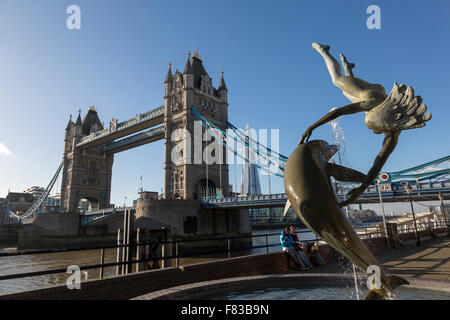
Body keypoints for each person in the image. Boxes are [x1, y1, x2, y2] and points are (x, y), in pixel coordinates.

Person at [300, 42, 431, 206]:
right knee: (337, 80)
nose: (372, 131)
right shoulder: (371, 100)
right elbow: (338, 112)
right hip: (373, 93)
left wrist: (359, 191)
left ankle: (348, 68)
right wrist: (311, 127)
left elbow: (377, 166)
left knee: (348, 93)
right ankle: (324, 51)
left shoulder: (393, 135)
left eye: (374, 128)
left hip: (378, 98)